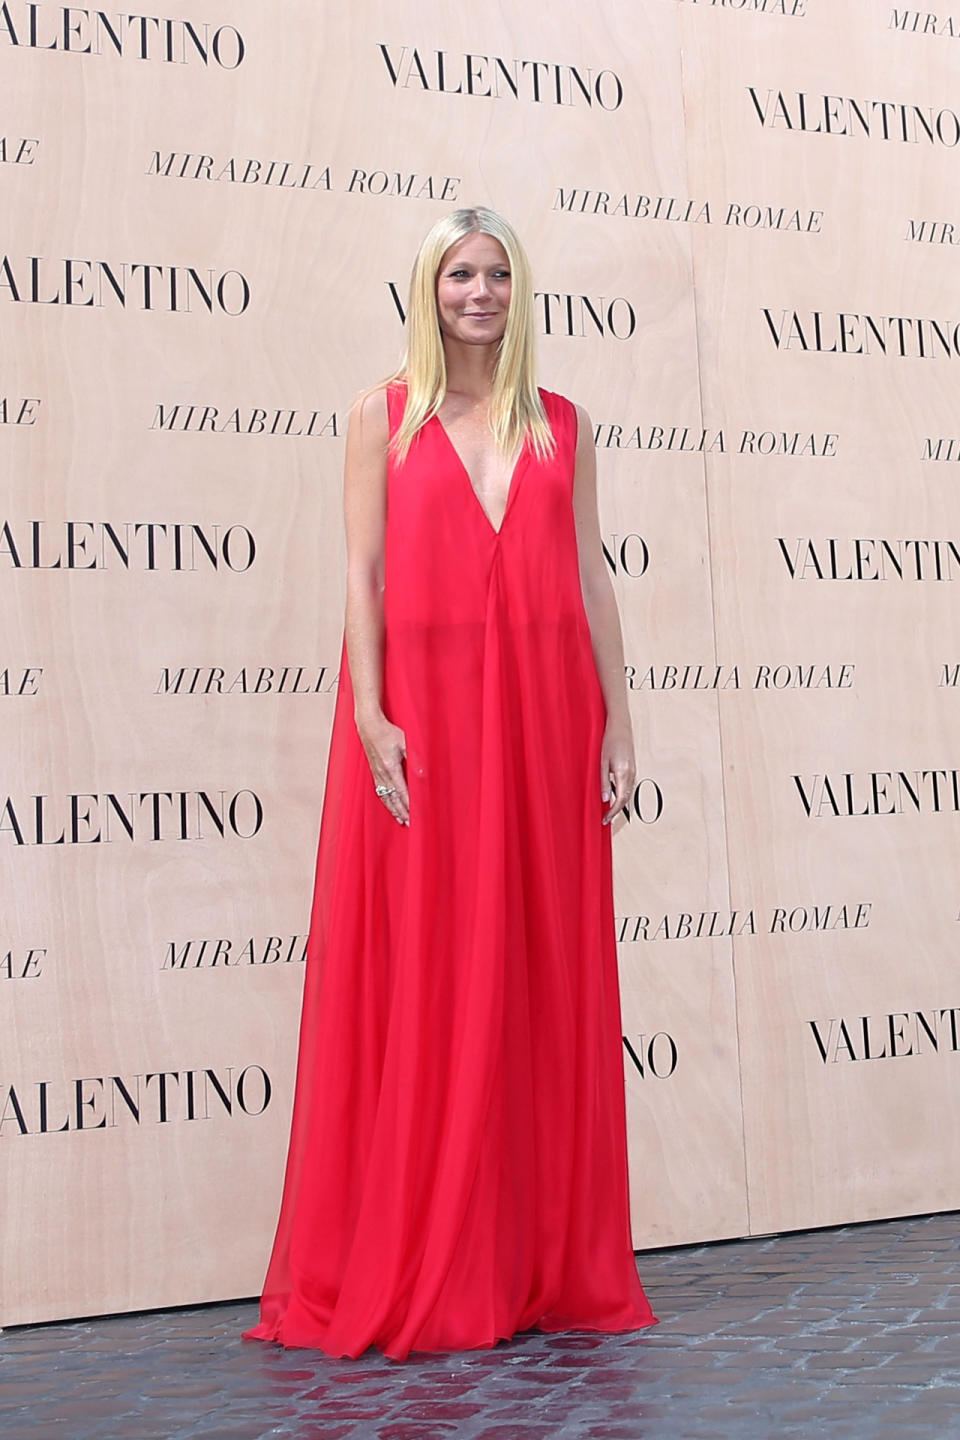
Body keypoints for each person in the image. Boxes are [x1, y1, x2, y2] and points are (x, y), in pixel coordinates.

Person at [243, 205, 658, 1361]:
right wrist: (369, 710)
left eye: (497, 276)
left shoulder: (562, 426)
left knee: (534, 971)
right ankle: (428, 1250)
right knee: (428, 973)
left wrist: (620, 720)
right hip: (422, 723)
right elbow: (362, 573)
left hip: (542, 716)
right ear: (427, 290)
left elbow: (590, 579)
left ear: (520, 293)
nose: (479, 293)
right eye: (459, 275)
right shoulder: (380, 417)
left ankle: (532, 1261)